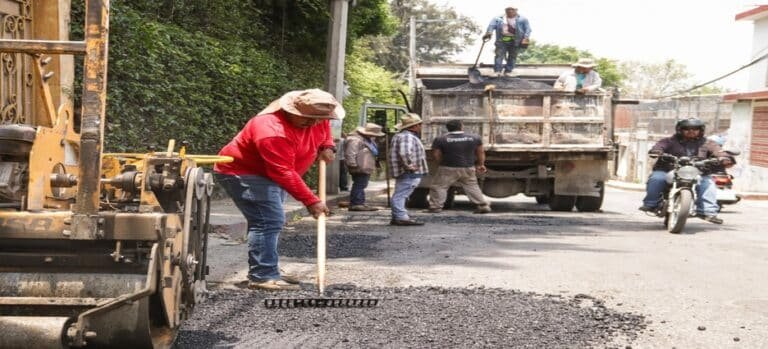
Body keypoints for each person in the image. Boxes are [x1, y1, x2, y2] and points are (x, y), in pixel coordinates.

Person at [214, 89, 341, 291]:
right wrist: (312, 201)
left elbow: (324, 126)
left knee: (269, 219)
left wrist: (327, 144)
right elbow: (282, 172)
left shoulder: (316, 116)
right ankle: (262, 275)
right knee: (268, 220)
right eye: (307, 120)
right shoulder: (271, 130)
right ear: (291, 111)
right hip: (245, 171)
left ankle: (267, 268)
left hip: (272, 173)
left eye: (319, 119)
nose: (313, 124)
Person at [639, 118, 735, 224]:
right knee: (656, 178)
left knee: (707, 183)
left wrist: (724, 158)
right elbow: (659, 146)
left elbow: (718, 151)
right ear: (680, 130)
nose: (691, 131)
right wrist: (657, 151)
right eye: (687, 129)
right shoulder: (669, 141)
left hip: (697, 172)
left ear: (701, 130)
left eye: (695, 129)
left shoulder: (708, 143)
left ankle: (708, 212)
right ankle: (651, 204)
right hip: (667, 170)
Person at [426, 120, 492, 214]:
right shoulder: (474, 138)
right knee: (471, 186)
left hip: (448, 167)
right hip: (468, 167)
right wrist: (481, 164)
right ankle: (482, 205)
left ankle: (435, 207)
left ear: (447, 128)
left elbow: (436, 155)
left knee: (439, 186)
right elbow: (480, 152)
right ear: (461, 126)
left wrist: (442, 163)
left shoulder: (440, 139)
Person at [388, 113, 429, 226]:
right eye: (419, 124)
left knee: (400, 193)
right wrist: (409, 166)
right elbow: (405, 152)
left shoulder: (402, 136)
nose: (421, 126)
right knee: (401, 194)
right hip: (409, 172)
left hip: (405, 171)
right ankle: (401, 217)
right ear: (414, 126)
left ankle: (397, 216)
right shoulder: (407, 136)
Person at [344, 123, 386, 211]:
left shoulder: (365, 139)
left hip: (363, 166)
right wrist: (352, 164)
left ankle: (359, 202)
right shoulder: (355, 139)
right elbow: (350, 153)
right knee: (360, 184)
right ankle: (357, 203)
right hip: (359, 166)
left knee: (361, 184)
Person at [482, 6, 532, 77]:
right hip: (502, 39)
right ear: (505, 11)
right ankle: (497, 71)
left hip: (516, 40)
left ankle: (508, 71)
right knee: (499, 55)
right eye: (508, 10)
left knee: (513, 56)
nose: (510, 11)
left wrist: (526, 38)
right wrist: (489, 33)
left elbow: (528, 29)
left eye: (512, 10)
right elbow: (491, 25)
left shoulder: (523, 19)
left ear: (516, 10)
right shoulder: (498, 18)